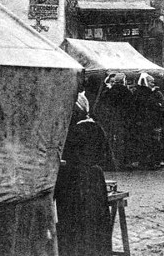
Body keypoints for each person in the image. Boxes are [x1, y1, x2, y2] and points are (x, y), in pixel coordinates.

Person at [54, 92, 115, 256]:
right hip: (95, 179)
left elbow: (65, 156)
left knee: (76, 219)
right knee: (95, 218)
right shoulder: (96, 127)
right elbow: (107, 156)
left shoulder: (74, 131)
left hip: (75, 180)